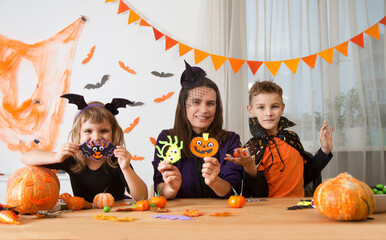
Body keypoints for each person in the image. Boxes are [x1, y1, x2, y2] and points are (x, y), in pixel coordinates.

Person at [22, 94, 148, 202]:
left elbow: (142, 197)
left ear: (113, 133)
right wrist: (56, 156)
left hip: (114, 215)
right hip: (81, 218)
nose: (96, 137)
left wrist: (126, 168)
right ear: (78, 134)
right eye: (88, 131)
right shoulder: (72, 159)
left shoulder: (117, 161)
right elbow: (26, 157)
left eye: (103, 131)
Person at [225, 80, 333, 197]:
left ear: (282, 108)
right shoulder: (251, 149)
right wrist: (250, 168)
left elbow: (306, 175)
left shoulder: (291, 139)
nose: (269, 113)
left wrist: (325, 150)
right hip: (270, 212)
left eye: (274, 106)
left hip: (298, 208)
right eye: (261, 107)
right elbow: (258, 194)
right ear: (251, 110)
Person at [152, 61, 243, 199]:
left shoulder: (230, 140)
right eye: (196, 102)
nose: (204, 110)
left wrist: (215, 182)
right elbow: (159, 186)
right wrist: (171, 187)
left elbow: (234, 190)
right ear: (184, 106)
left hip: (221, 215)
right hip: (179, 215)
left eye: (210, 103)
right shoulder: (167, 139)